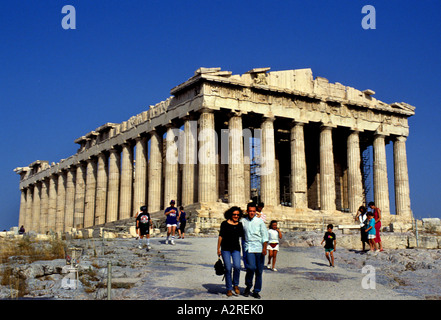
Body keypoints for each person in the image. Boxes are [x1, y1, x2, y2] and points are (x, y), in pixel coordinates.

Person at [241, 202, 269, 299]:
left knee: (259, 271)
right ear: (247, 211)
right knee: (251, 268)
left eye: (253, 211)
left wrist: (265, 248)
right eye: (250, 211)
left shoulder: (260, 221)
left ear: (255, 212)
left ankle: (256, 290)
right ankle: (248, 286)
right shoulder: (243, 221)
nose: (252, 213)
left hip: (260, 247)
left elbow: (265, 235)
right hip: (249, 247)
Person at [217, 206, 244, 297]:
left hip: (236, 248)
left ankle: (235, 284)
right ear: (230, 214)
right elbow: (221, 236)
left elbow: (243, 237)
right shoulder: (224, 224)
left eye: (237, 215)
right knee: (228, 268)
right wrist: (218, 249)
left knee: (237, 266)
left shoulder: (240, 225)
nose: (236, 216)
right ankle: (229, 288)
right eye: (234, 214)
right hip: (225, 249)